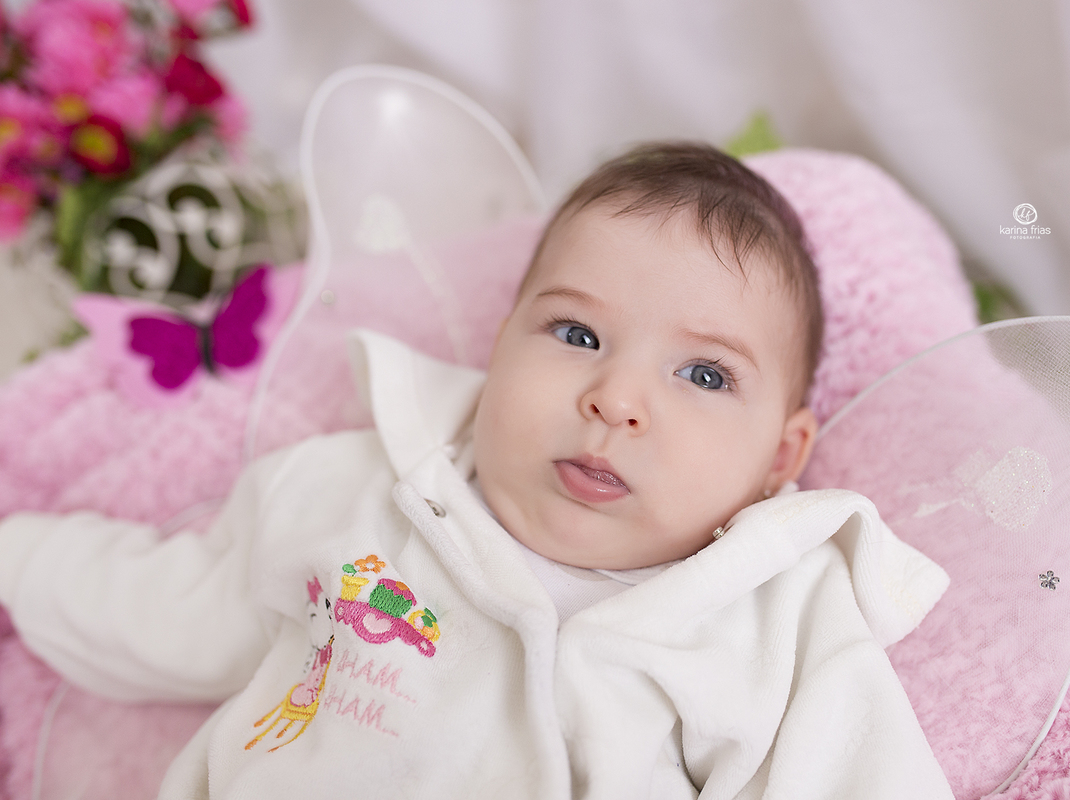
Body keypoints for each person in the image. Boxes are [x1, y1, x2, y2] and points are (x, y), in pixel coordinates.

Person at [0, 143, 953, 798]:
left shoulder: (775, 616)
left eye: (704, 374)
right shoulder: (358, 495)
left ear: (780, 459)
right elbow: (170, 606)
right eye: (576, 333)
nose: (617, 398)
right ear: (500, 351)